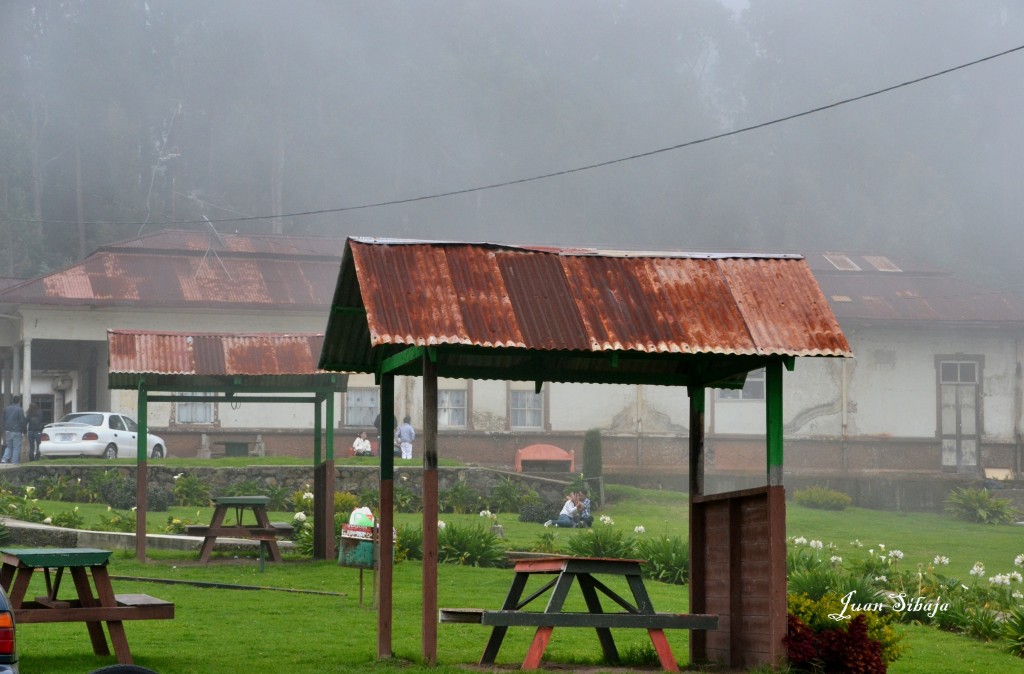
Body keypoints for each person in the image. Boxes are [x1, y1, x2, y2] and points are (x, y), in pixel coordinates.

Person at [1, 396, 26, 465]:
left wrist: (3, 428)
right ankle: (15, 462)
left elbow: (3, 419)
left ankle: (4, 459)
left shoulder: (6, 409)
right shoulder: (19, 409)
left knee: (9, 446)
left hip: (8, 430)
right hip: (17, 431)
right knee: (16, 447)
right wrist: (24, 431)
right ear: (19, 401)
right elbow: (22, 421)